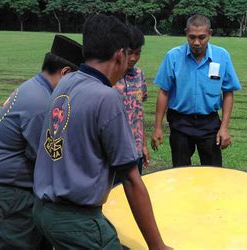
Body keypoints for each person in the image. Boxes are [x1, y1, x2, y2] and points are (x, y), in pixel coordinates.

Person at [32, 14, 170, 250]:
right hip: (76, 219)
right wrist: (158, 246)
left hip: (43, 211)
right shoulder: (107, 97)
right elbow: (132, 180)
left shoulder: (66, 82)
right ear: (120, 55)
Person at [0, 35, 83, 249]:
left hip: (10, 191)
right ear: (66, 73)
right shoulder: (42, 103)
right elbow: (49, 157)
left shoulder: (35, 87)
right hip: (7, 196)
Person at [151, 14, 241, 167]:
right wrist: (157, 127)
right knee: (180, 171)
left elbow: (228, 92)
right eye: (192, 37)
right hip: (180, 122)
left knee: (213, 171)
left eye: (202, 37)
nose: (196, 42)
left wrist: (224, 127)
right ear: (186, 33)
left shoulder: (222, 56)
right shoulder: (173, 57)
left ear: (210, 34)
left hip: (209, 123)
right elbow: (164, 92)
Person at [113, 25, 149, 177]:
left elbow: (139, 113)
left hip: (136, 149)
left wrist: (144, 145)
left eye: (137, 53)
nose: (133, 58)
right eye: (129, 53)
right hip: (115, 151)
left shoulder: (139, 75)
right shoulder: (109, 77)